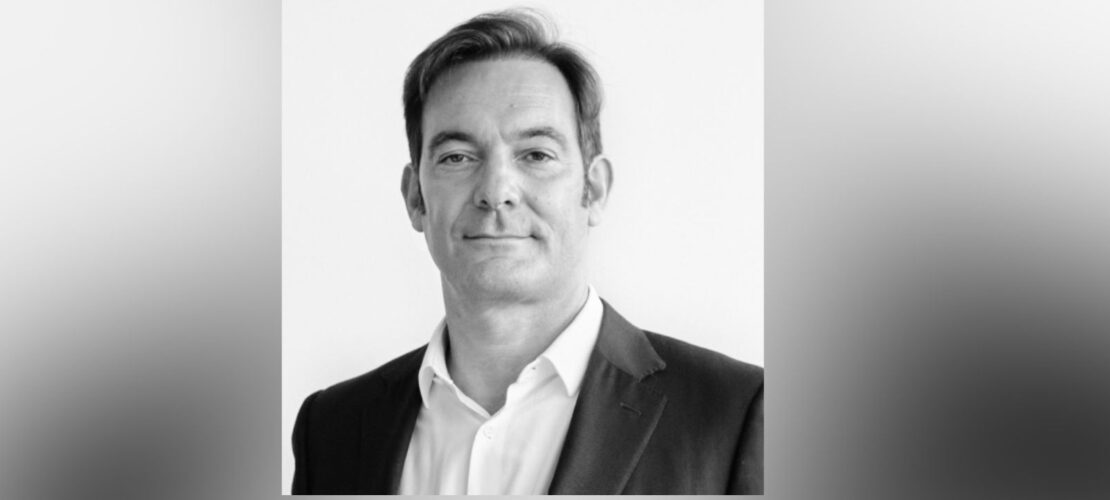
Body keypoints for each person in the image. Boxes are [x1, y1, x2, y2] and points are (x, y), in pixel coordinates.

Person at [291, 8, 762, 495]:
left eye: (536, 154)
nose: (496, 191)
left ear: (595, 190)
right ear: (415, 198)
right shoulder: (331, 429)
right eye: (457, 157)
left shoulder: (734, 415)